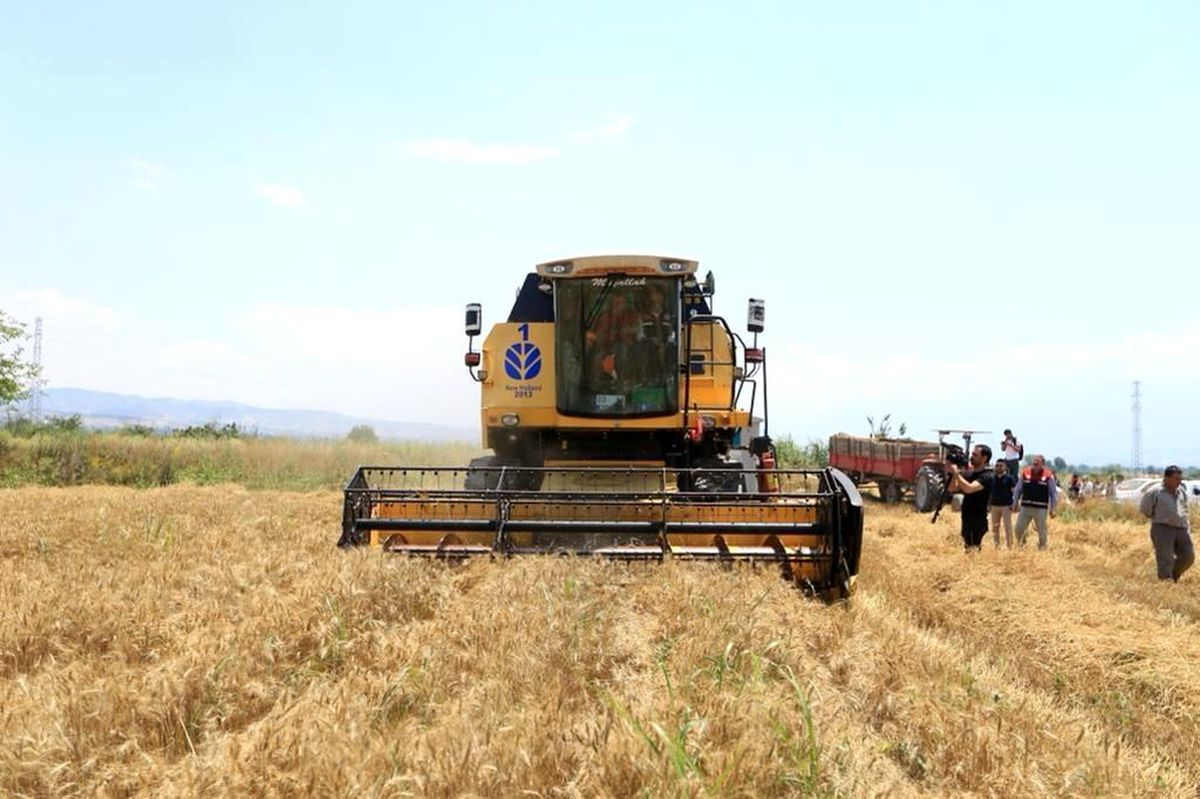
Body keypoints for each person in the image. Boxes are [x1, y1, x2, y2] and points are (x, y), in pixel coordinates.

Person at [1139, 465, 1194, 582]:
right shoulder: (1155, 492)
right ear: (1166, 478)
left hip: (1181, 528)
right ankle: (1166, 582)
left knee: (1189, 556)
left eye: (1180, 479)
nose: (1179, 482)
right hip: (1163, 529)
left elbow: (1185, 510)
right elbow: (1145, 509)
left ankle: (1173, 575)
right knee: (1165, 558)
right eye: (1176, 479)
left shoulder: (1181, 492)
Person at [947, 444, 995, 551]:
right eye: (972, 454)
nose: (971, 457)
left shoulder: (987, 476)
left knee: (974, 548)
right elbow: (952, 489)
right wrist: (953, 475)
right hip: (966, 516)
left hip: (978, 519)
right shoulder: (969, 474)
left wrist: (956, 473)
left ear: (984, 458)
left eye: (975, 455)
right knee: (968, 547)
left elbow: (969, 488)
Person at [1013, 454, 1058, 549]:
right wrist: (1015, 502)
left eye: (1038, 462)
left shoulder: (1048, 476)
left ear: (1043, 464)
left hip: (1041, 508)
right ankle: (1022, 546)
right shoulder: (1025, 473)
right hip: (1025, 507)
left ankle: (1042, 549)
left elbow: (1053, 494)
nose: (1035, 463)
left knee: (1042, 531)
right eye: (1034, 461)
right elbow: (1018, 489)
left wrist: (1053, 508)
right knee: (1018, 529)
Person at [989, 459, 1017, 549]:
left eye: (1001, 465)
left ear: (1005, 467)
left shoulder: (1009, 478)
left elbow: (1014, 492)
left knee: (1007, 526)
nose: (998, 467)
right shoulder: (992, 478)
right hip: (994, 505)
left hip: (1006, 506)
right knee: (995, 527)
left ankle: (1010, 546)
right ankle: (996, 546)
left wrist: (1014, 503)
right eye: (997, 465)